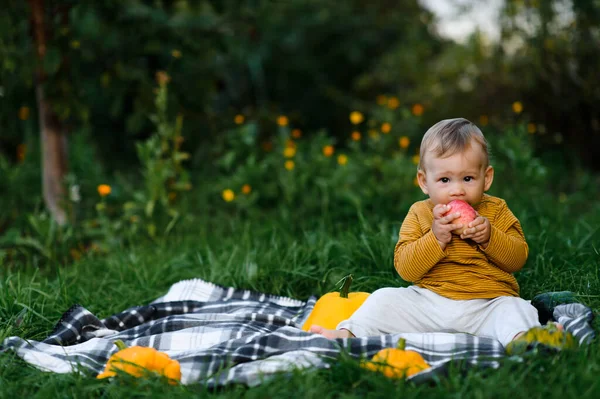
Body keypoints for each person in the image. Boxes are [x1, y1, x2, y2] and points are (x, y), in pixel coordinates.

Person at [309, 117, 558, 348]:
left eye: (468, 178)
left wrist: (490, 237)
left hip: (487, 304)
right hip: (429, 303)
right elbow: (406, 269)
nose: (457, 190)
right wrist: (435, 238)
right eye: (445, 180)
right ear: (424, 181)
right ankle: (346, 336)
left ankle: (525, 341)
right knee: (383, 299)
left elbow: (518, 258)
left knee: (515, 308)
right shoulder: (420, 213)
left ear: (487, 177)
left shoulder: (497, 210)